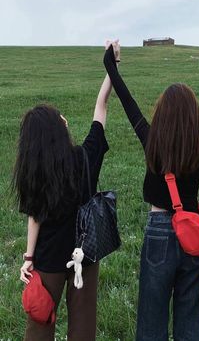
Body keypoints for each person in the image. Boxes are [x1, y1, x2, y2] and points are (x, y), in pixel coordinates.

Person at [103, 43, 199, 341]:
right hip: (195, 239)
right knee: (190, 323)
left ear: (162, 117)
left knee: (151, 323)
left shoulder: (153, 143)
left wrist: (111, 62)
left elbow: (127, 101)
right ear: (195, 119)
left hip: (159, 235)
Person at [13, 71, 113, 341]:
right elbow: (101, 107)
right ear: (59, 130)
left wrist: (29, 257)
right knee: (83, 328)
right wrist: (112, 66)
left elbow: (35, 216)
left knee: (40, 322)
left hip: (49, 258)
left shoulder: (34, 169)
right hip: (87, 255)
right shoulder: (85, 157)